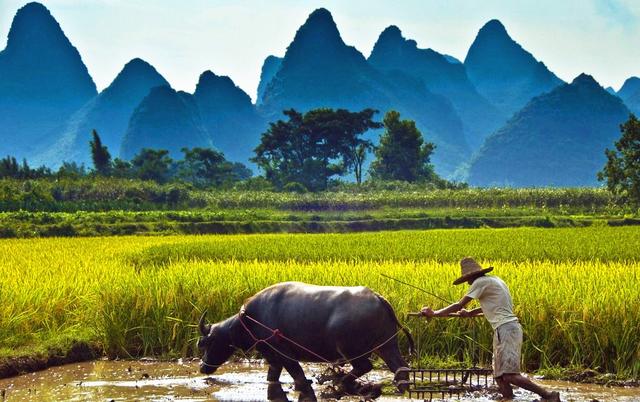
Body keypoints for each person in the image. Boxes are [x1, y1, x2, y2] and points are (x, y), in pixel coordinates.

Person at [421, 257, 560, 402]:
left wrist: (435, 313)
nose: (467, 281)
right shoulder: (495, 280)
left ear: (471, 276)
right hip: (504, 329)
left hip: (507, 329)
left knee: (509, 375)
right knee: (500, 377)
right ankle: (508, 398)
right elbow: (491, 305)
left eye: (467, 278)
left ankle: (548, 395)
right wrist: (470, 314)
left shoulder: (479, 282)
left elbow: (459, 305)